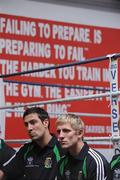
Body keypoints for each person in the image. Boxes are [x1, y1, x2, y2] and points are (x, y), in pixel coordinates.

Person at [0, 107, 65, 180]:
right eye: (26, 124)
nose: (29, 128)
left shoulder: (62, 148)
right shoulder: (25, 149)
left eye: (33, 122)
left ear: (45, 123)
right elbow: (3, 173)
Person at [55, 113, 111, 180]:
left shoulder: (95, 162)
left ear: (80, 133)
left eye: (66, 131)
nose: (60, 136)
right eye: (58, 131)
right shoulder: (62, 162)